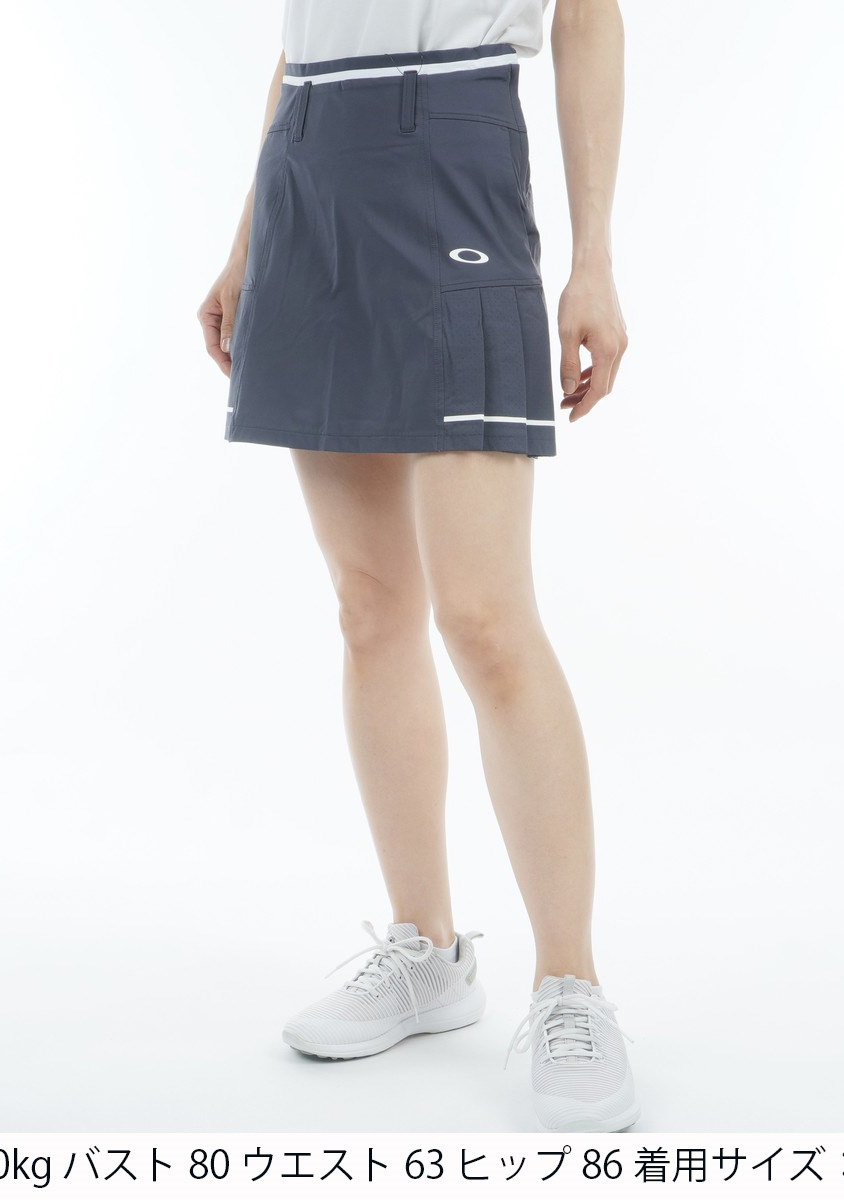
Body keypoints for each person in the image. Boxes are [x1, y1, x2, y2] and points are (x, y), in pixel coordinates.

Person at [198, 0, 635, 1133]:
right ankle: (427, 949)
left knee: (484, 617)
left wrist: (592, 259)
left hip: (454, 148)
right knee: (368, 604)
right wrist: (247, 243)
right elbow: (300, 43)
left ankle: (570, 983)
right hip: (307, 170)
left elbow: (587, 14)